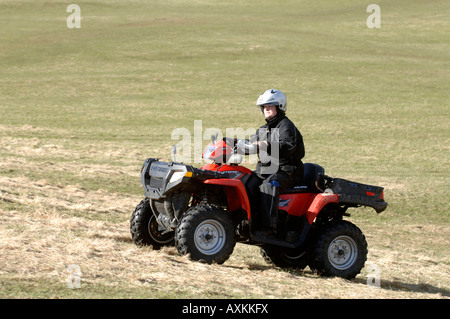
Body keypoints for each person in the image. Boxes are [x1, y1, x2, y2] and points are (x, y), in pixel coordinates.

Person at [240, 89, 305, 236]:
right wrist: (232, 144)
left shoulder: (286, 126)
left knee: (269, 185)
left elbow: (288, 146)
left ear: (279, 107)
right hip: (265, 170)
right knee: (246, 184)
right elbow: (250, 144)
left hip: (287, 171)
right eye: (264, 107)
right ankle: (248, 221)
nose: (266, 109)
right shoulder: (263, 129)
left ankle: (268, 228)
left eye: (270, 106)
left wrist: (267, 145)